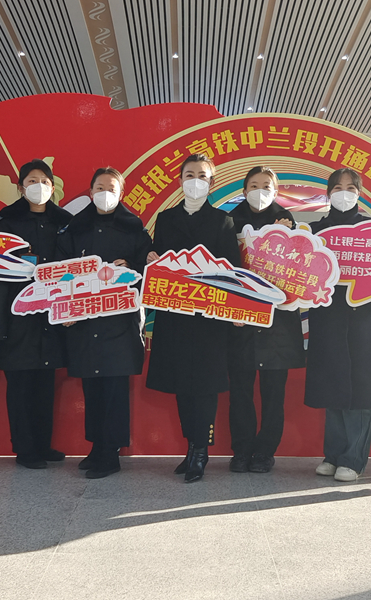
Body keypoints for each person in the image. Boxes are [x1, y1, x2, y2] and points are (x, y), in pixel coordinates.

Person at [146, 153, 241, 483]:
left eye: (202, 175)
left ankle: (201, 450)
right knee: (180, 385)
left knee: (204, 386)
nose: (196, 181)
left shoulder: (223, 221)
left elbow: (232, 270)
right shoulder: (166, 218)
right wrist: (151, 258)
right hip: (174, 315)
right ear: (180, 180)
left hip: (208, 318)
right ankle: (190, 447)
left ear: (212, 183)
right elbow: (158, 260)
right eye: (190, 175)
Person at [56, 167, 152, 478]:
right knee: (92, 387)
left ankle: (111, 454)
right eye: (100, 187)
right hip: (84, 323)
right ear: (90, 191)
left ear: (121, 193)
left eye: (112, 188)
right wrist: (65, 309)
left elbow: (150, 273)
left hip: (119, 323)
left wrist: (131, 267)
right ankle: (97, 446)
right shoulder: (74, 229)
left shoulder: (135, 229)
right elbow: (60, 272)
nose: (105, 193)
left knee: (114, 389)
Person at [0, 159, 72, 469]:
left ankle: (43, 445)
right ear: (21, 187)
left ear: (52, 187)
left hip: (51, 316)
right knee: (20, 387)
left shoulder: (65, 223)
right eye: (32, 181)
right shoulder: (5, 224)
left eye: (45, 181)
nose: (39, 186)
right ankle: (24, 448)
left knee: (45, 386)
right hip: (15, 317)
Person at [305, 168, 371, 482]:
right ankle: (333, 454)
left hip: (363, 319)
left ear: (360, 193)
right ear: (328, 193)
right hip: (327, 317)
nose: (344, 194)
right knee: (333, 385)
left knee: (360, 389)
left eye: (351, 188)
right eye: (338, 188)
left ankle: (354, 458)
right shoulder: (315, 231)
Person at [227, 166, 305, 473]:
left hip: (278, 326)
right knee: (240, 392)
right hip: (239, 321)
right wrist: (231, 309)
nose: (260, 191)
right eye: (254, 185)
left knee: (274, 394)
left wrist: (287, 235)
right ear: (244, 190)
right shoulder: (228, 223)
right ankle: (241, 450)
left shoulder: (288, 224)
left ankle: (265, 452)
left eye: (266, 186)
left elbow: (301, 275)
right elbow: (223, 271)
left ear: (276, 191)